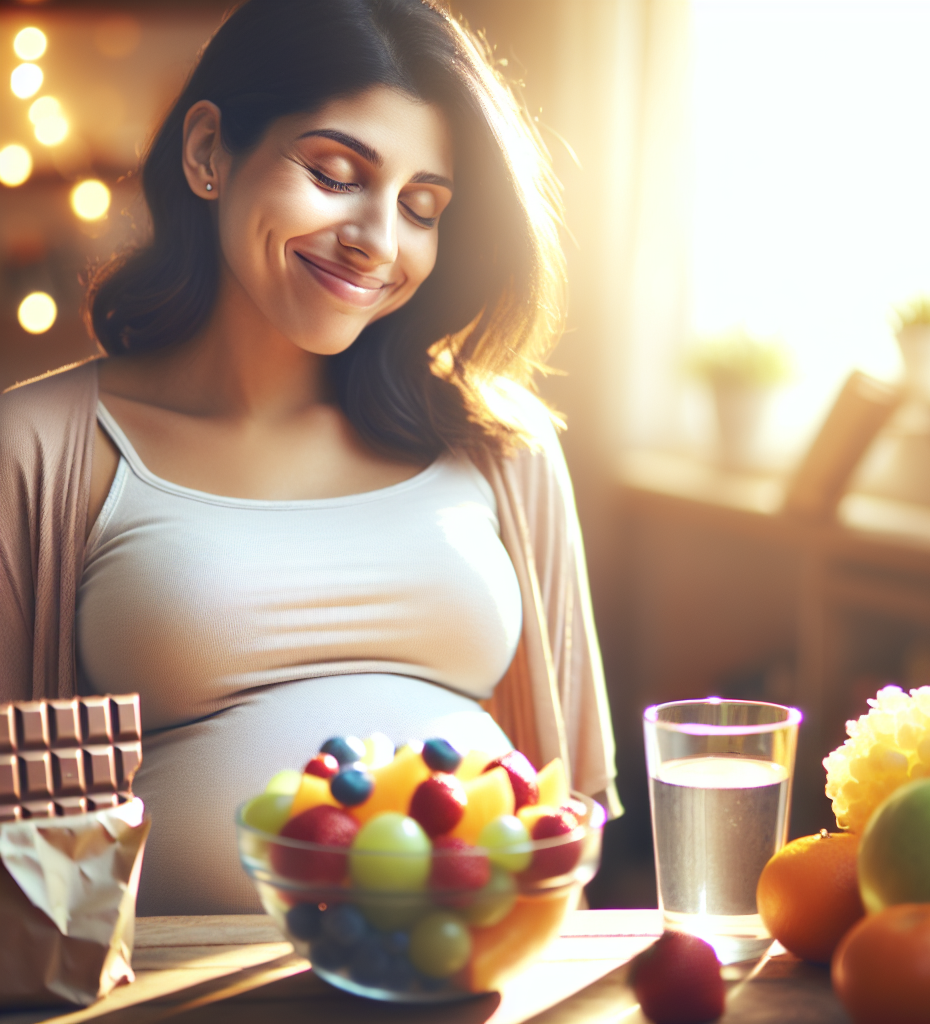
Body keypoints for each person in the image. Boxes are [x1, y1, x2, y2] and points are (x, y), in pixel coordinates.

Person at [0, 0, 619, 915]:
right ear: (210, 153)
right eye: (334, 174)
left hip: (473, 980)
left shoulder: (502, 447)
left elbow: (578, 805)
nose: (378, 240)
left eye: (420, 206)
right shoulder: (38, 452)